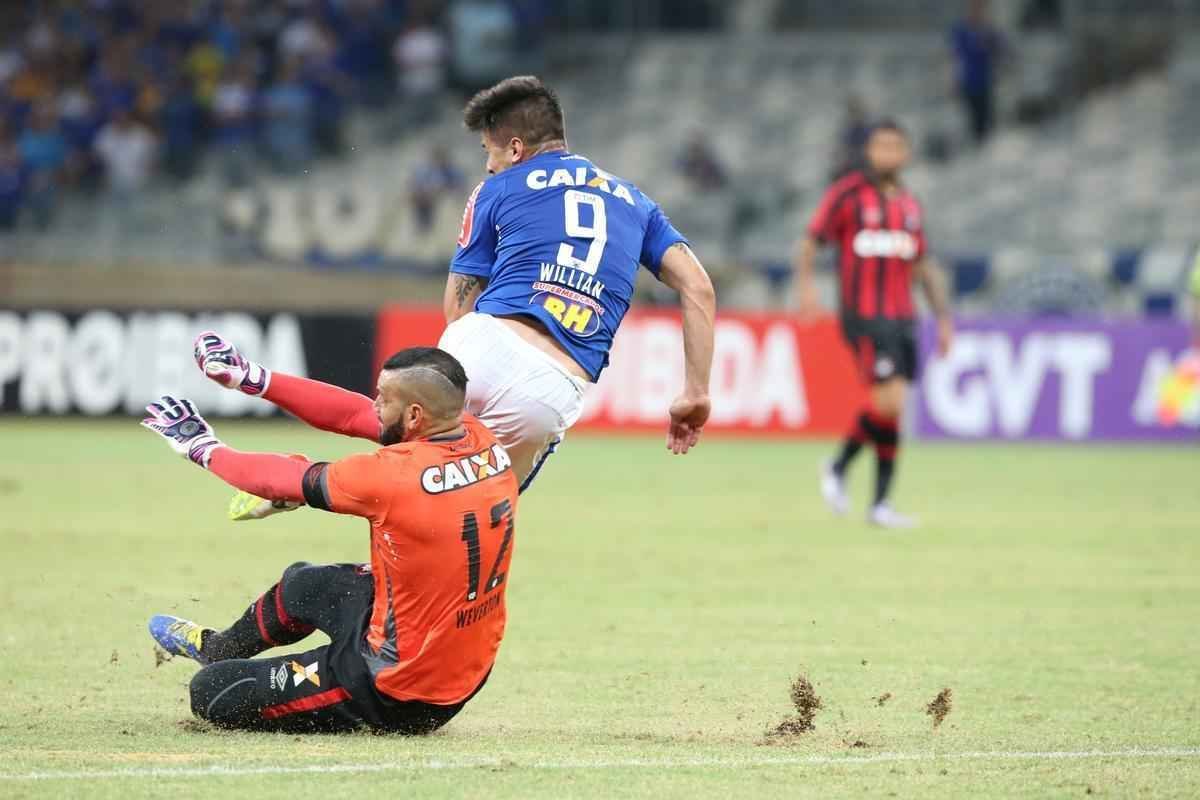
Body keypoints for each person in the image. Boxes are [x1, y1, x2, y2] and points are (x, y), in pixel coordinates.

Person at [142, 346, 519, 733]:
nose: (374, 406)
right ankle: (217, 648)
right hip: (458, 658)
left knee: (212, 691)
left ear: (414, 416)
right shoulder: (479, 436)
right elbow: (351, 413)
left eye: (383, 399)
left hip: (399, 690)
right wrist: (253, 378)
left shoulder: (393, 476)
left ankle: (331, 679)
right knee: (305, 584)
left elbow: (275, 479)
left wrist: (202, 447)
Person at [442, 75, 716, 487]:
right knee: (480, 508)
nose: (488, 165)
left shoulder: (494, 189)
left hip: (478, 346)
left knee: (414, 484)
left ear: (515, 148)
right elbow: (699, 287)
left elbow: (457, 310)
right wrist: (696, 392)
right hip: (549, 384)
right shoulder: (637, 204)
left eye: (489, 151)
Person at [793, 120, 953, 528]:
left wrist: (943, 318)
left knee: (892, 409)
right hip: (864, 315)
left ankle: (878, 502)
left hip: (903, 316)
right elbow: (810, 241)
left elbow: (923, 265)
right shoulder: (848, 194)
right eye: (880, 146)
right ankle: (839, 467)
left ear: (906, 153)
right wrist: (807, 290)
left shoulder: (910, 204)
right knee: (889, 404)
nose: (887, 154)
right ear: (869, 151)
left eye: (895, 146)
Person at [950, 0, 1005, 144]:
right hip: (968, 82)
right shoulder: (961, 31)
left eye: (980, 9)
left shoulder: (989, 31)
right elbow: (958, 54)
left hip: (986, 82)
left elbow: (1000, 48)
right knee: (971, 120)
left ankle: (984, 144)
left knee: (986, 120)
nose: (978, 12)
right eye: (974, 8)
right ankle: (973, 143)